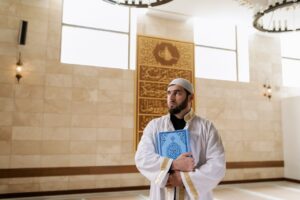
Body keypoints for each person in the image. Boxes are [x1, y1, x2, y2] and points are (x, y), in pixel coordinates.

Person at [135, 78, 226, 200]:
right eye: (169, 93)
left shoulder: (207, 127)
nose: (171, 98)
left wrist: (183, 179)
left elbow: (217, 165)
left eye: (177, 93)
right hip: (163, 194)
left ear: (190, 98)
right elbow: (142, 157)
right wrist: (173, 164)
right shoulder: (155, 126)